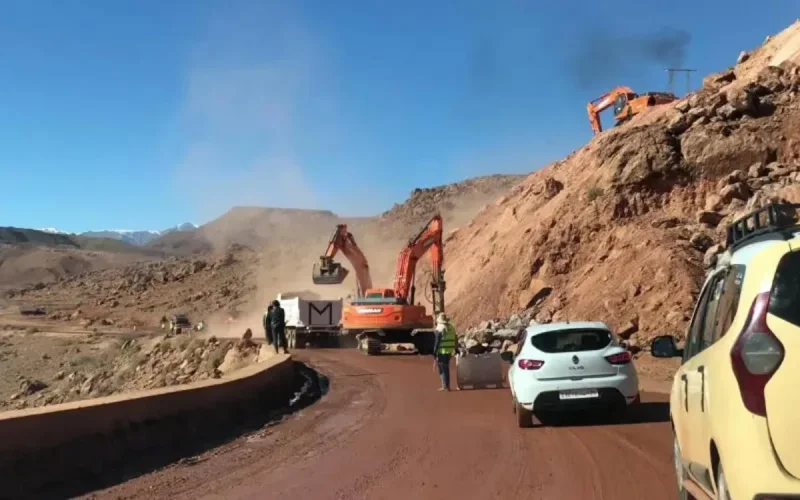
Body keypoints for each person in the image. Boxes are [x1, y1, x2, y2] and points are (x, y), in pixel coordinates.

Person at [432, 312, 457, 391]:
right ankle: (445, 385)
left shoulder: (439, 328)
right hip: (449, 350)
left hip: (442, 351)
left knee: (443, 368)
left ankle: (446, 386)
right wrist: (456, 349)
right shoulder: (451, 327)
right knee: (445, 367)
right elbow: (456, 338)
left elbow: (437, 341)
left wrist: (434, 352)